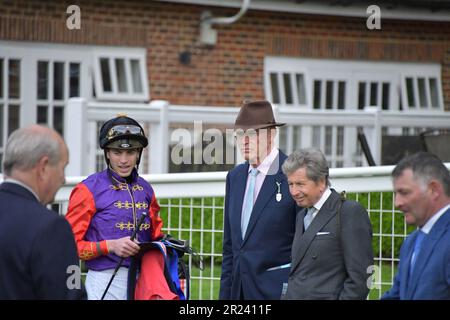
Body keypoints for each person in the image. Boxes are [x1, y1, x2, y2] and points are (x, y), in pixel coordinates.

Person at [65, 114, 164, 300]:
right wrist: (110, 246)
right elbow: (69, 245)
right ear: (107, 153)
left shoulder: (146, 189)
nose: (124, 160)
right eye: (117, 153)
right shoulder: (87, 189)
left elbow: (156, 235)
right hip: (104, 280)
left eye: (131, 152)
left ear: (138, 154)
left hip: (144, 281)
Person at [219, 100, 298, 300]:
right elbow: (230, 248)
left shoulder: (293, 174)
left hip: (277, 292)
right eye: (239, 135)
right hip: (238, 293)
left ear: (271, 134)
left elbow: (304, 243)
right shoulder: (235, 177)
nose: (244, 141)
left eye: (252, 134)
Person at [0, 125, 86, 299]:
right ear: (44, 167)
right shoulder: (51, 228)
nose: (63, 179)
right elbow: (70, 294)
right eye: (63, 167)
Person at [281, 148, 373, 300]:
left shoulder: (349, 212)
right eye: (290, 184)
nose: (294, 191)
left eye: (300, 184)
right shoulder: (301, 216)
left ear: (322, 182)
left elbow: (361, 277)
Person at [381, 152, 450, 300]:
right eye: (396, 193)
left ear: (433, 190)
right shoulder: (411, 242)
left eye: (404, 192)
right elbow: (397, 295)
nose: (397, 203)